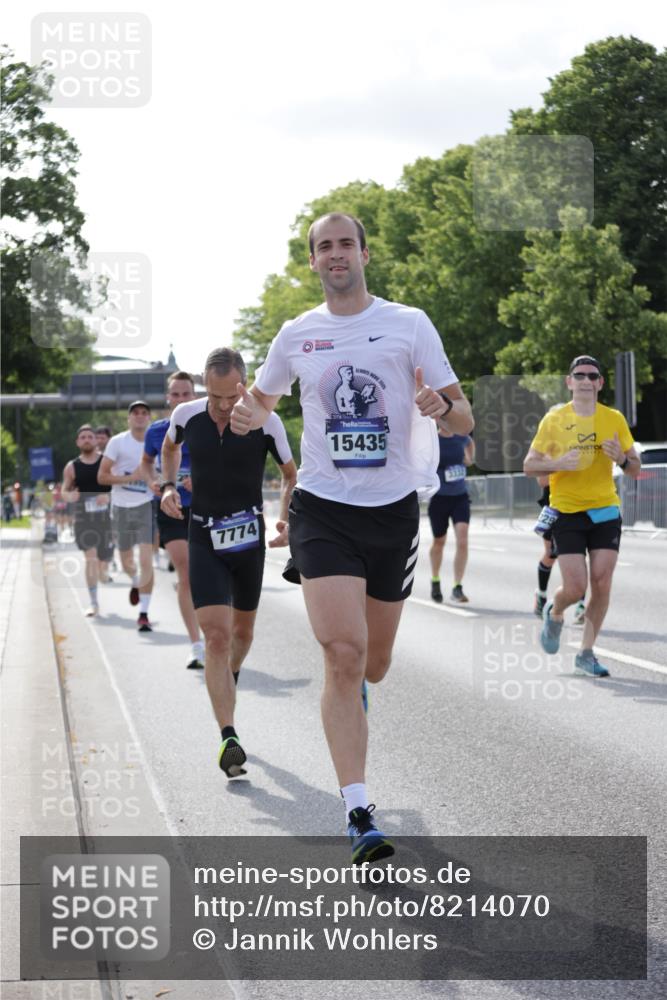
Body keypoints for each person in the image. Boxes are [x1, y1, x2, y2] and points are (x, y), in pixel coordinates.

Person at [230, 212, 473, 862]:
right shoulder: (296, 334)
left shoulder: (408, 323)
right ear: (313, 261)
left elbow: (463, 417)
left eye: (345, 244)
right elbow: (260, 403)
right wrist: (243, 415)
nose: (336, 254)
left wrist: (441, 408)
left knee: (373, 664)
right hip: (322, 510)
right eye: (324, 247)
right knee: (341, 654)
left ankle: (358, 684)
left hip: (392, 512)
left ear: (364, 253)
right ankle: (359, 812)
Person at [160, 347, 296, 777]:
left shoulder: (266, 421)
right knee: (216, 638)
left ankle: (229, 677)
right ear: (205, 386)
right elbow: (170, 448)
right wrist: (168, 486)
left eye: (230, 397)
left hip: (249, 540)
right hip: (203, 536)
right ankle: (229, 737)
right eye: (215, 397)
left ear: (244, 385)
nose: (222, 406)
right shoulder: (186, 415)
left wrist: (285, 518)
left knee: (242, 633)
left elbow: (291, 474)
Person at [524, 355, 640, 677]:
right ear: (569, 382)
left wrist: (622, 460)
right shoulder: (554, 420)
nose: (586, 380)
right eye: (580, 375)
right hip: (567, 512)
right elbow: (529, 465)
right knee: (575, 588)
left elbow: (635, 468)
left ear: (600, 383)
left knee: (602, 581)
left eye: (592, 375)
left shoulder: (613, 419)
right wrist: (559, 464)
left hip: (605, 510)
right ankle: (555, 610)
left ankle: (586, 652)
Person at [141, 370, 205, 669]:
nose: (181, 399)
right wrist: (153, 480)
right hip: (171, 507)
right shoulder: (157, 431)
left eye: (185, 394)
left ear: (195, 396)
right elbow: (146, 462)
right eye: (175, 394)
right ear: (168, 398)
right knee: (187, 571)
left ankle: (216, 633)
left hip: (206, 507)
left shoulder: (208, 426)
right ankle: (196, 644)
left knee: (210, 574)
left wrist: (202, 478)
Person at [98, 402, 155, 632]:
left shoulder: (156, 441)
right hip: (121, 507)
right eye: (135, 413)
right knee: (126, 562)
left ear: (149, 418)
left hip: (146, 505)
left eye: (144, 413)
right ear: (128, 418)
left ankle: (144, 613)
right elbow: (102, 477)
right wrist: (130, 478)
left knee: (146, 561)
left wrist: (158, 481)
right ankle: (135, 580)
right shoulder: (117, 442)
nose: (140, 417)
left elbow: (164, 471)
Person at [62, 425, 113, 616]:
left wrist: (108, 496)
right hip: (84, 520)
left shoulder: (106, 462)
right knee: (90, 559)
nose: (86, 440)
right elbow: (64, 491)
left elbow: (119, 487)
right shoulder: (72, 467)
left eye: (90, 437)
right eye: (83, 437)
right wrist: (70, 496)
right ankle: (93, 603)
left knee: (102, 564)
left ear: (96, 440)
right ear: (77, 442)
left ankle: (103, 572)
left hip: (106, 520)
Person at [428, 427, 474, 603]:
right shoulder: (432, 439)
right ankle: (435, 580)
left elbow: (470, 444)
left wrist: (469, 458)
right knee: (439, 542)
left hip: (460, 497)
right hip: (439, 498)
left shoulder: (461, 436)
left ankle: (457, 586)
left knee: (462, 541)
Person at [533, 476, 586, 624]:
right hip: (553, 503)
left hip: (579, 501)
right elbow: (542, 480)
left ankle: (581, 604)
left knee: (579, 554)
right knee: (551, 554)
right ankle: (541, 595)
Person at [95, 426, 116, 580]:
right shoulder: (90, 458)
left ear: (109, 439)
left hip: (111, 504)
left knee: (109, 537)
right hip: (92, 505)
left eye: (103, 438)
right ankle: (100, 569)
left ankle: (104, 570)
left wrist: (109, 495)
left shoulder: (114, 458)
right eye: (98, 438)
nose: (100, 441)